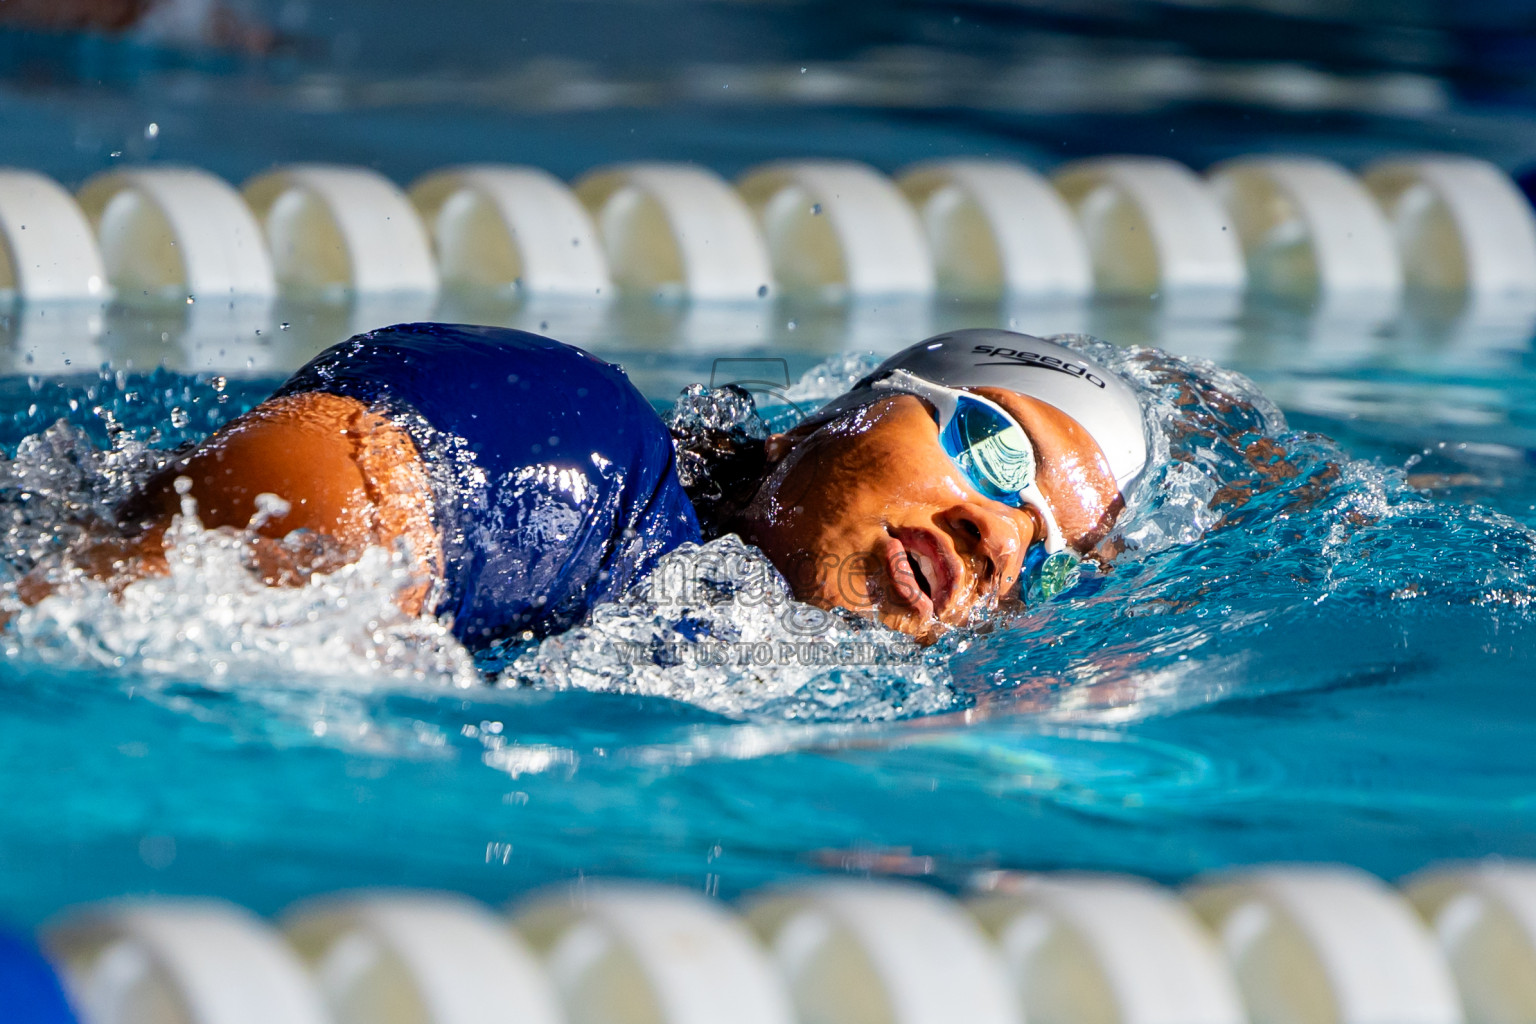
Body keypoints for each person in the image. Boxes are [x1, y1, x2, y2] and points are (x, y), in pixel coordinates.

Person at [44, 323, 1146, 646]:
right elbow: (88, 621)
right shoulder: (564, 452)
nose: (1001, 535)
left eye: (1039, 553)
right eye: (1000, 452)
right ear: (832, 416)